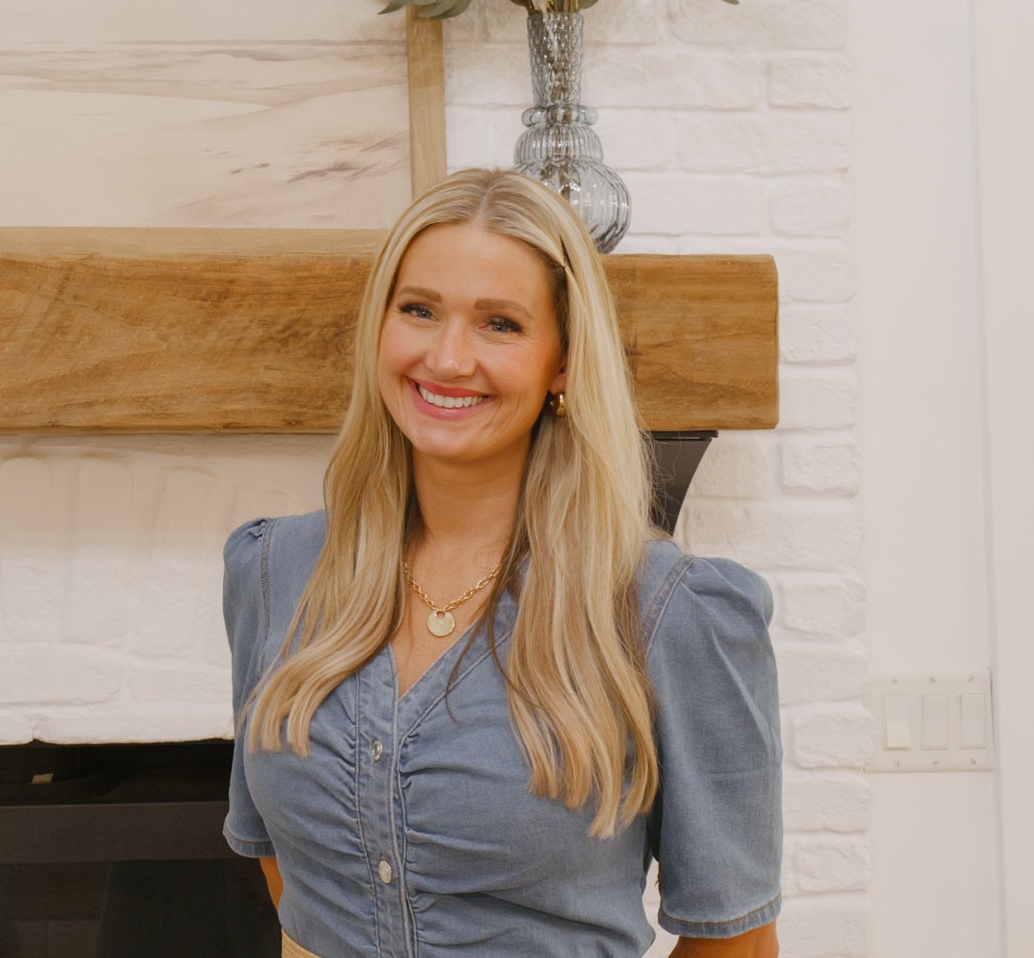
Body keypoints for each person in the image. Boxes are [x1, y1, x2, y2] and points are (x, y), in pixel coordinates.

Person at [222, 167, 782, 958]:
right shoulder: (273, 568)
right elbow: (285, 869)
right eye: (418, 310)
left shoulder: (673, 613)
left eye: (501, 325)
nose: (448, 359)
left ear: (562, 364)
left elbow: (737, 942)